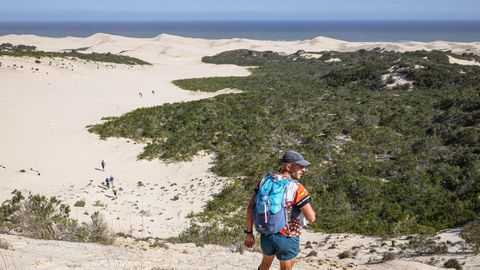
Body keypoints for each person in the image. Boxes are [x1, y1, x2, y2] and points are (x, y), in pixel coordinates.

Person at [244, 151, 316, 270]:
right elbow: (311, 217)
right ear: (288, 166)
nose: (303, 170)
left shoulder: (264, 181)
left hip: (266, 234)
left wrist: (249, 233)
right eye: (300, 166)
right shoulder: (296, 187)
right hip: (287, 235)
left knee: (265, 264)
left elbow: (250, 208)